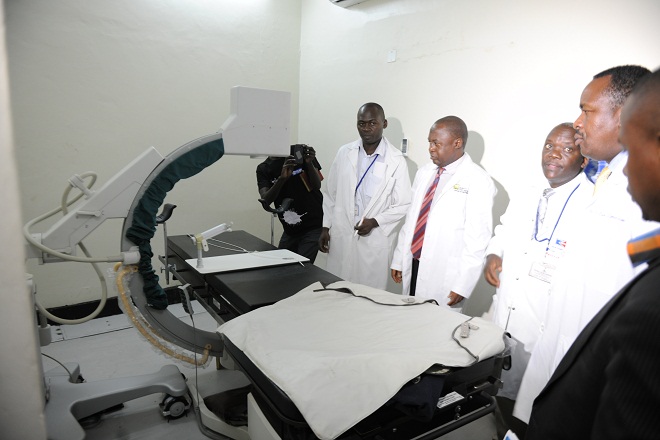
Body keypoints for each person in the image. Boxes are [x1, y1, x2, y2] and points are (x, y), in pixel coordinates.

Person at [514, 65, 658, 424]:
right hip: (563, 357)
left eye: (587, 111)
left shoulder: (640, 191)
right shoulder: (606, 180)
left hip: (595, 379)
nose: (577, 122)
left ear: (623, 115)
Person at [483, 123, 591, 438]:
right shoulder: (530, 192)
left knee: (533, 406)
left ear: (583, 158)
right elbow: (504, 228)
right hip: (508, 310)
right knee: (499, 394)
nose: (553, 155)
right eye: (548, 146)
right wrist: (494, 253)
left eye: (567, 148)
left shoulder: (589, 204)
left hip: (543, 323)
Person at [390, 116, 495, 310]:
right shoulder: (424, 173)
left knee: (437, 330)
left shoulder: (478, 180)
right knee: (408, 319)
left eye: (436, 143)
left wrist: (463, 285)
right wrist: (398, 258)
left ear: (457, 143)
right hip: (413, 262)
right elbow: (412, 220)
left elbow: (478, 240)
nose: (430, 148)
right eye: (430, 142)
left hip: (445, 271)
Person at [319, 103, 411, 289]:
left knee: (369, 293)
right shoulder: (345, 153)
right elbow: (330, 193)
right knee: (336, 288)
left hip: (373, 238)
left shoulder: (395, 160)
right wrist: (326, 227)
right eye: (362, 124)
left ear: (384, 124)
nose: (367, 129)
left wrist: (375, 221)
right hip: (342, 233)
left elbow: (403, 204)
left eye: (372, 123)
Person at [256, 146, 323, 263]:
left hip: (313, 226)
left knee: (302, 267)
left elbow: (317, 185)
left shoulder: (298, 153)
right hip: (290, 230)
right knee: (281, 266)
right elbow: (266, 200)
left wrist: (309, 163)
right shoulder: (264, 168)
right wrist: (282, 179)